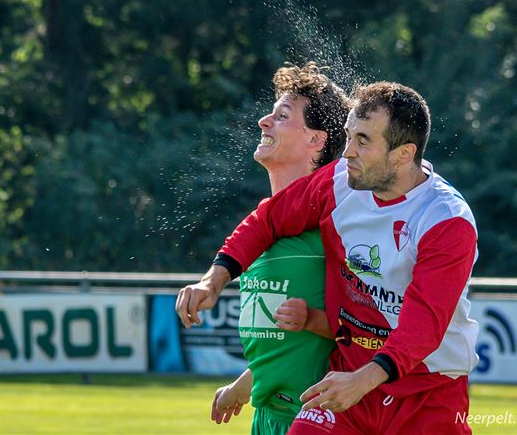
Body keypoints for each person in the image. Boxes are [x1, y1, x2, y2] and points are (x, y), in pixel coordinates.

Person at [176, 81, 479, 434]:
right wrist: (213, 281)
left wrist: (362, 381)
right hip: (347, 380)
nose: (347, 152)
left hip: (427, 392)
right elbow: (267, 220)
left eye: (363, 141)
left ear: (403, 153)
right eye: (349, 136)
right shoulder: (339, 181)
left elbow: (422, 326)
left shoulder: (446, 220)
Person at [181, 62, 351, 434]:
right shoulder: (261, 231)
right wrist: (244, 386)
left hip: (318, 420)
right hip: (267, 417)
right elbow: (288, 341)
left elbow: (368, 326)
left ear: (316, 140)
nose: (264, 121)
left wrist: (312, 319)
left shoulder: (338, 225)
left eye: (282, 115)